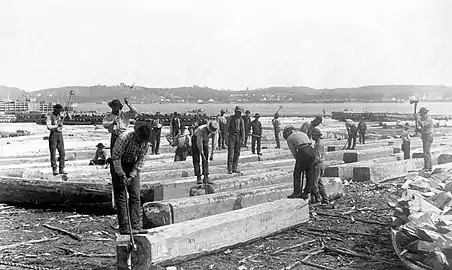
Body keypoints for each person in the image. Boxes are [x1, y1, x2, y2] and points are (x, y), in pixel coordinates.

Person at [110, 122, 151, 235]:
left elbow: (141, 160)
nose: (141, 141)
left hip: (132, 165)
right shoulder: (124, 138)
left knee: (135, 196)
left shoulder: (145, 143)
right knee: (121, 196)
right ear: (136, 133)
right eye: (140, 138)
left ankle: (135, 225)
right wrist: (121, 175)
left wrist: (132, 175)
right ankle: (124, 227)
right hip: (119, 164)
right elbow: (116, 157)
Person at [283, 126, 315, 200]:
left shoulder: (290, 138)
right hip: (311, 150)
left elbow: (294, 153)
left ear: (288, 132)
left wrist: (299, 162)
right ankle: (306, 192)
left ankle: (296, 192)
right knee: (309, 171)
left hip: (303, 151)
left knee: (297, 173)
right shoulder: (302, 133)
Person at [46, 104, 68, 175]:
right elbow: (49, 126)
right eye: (58, 109)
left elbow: (67, 117)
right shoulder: (50, 116)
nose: (59, 111)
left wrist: (67, 113)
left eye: (60, 110)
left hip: (60, 134)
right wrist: (56, 126)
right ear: (55, 109)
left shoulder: (60, 115)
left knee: (62, 153)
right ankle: (54, 169)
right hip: (53, 135)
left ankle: (62, 168)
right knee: (53, 153)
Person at [310, 128, 329, 205]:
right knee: (320, 183)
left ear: (316, 136)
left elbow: (317, 158)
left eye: (313, 135)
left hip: (318, 165)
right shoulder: (319, 144)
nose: (312, 137)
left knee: (314, 184)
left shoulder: (318, 145)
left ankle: (318, 200)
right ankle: (325, 200)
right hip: (321, 164)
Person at [225, 106, 246, 174]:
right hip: (232, 136)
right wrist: (225, 138)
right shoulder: (230, 118)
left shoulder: (241, 120)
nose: (239, 114)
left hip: (238, 137)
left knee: (237, 153)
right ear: (235, 112)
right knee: (231, 153)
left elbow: (243, 130)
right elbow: (226, 128)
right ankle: (230, 168)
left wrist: (243, 140)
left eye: (240, 112)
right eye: (238, 112)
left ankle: (235, 167)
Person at [414, 107, 434, 171]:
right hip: (425, 137)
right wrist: (419, 130)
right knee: (426, 152)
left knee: (426, 153)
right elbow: (424, 129)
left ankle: (427, 167)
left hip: (428, 137)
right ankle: (429, 166)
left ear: (424, 114)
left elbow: (422, 124)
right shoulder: (425, 119)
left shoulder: (428, 119)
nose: (420, 116)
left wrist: (417, 118)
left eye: (421, 115)